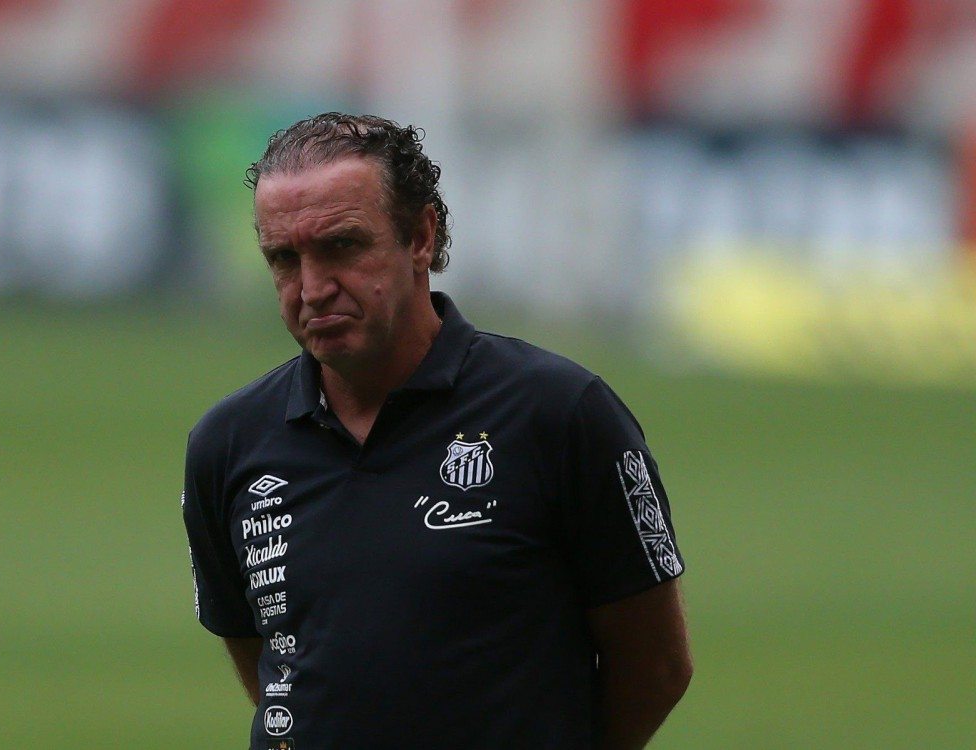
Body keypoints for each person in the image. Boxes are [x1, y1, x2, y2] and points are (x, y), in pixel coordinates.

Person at [182, 112, 692, 750]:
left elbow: (657, 667)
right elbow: (275, 668)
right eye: (284, 259)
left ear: (421, 235)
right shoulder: (229, 444)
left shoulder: (560, 414)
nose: (311, 288)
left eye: (341, 246)